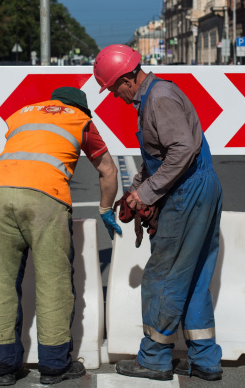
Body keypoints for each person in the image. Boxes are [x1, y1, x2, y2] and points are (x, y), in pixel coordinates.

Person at [94, 44, 224, 382]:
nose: (114, 97)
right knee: (193, 276)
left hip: (187, 191)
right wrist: (137, 188)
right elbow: (160, 157)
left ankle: (154, 358)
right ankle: (206, 359)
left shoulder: (159, 98)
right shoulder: (155, 96)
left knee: (162, 276)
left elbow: (182, 150)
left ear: (127, 79)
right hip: (199, 187)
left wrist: (148, 192)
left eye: (113, 89)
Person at [0, 87, 122, 386]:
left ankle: (4, 367)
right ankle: (54, 367)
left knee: (0, 281)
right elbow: (108, 170)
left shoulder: (22, 114)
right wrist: (105, 208)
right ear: (80, 108)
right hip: (45, 196)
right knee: (53, 281)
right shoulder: (80, 120)